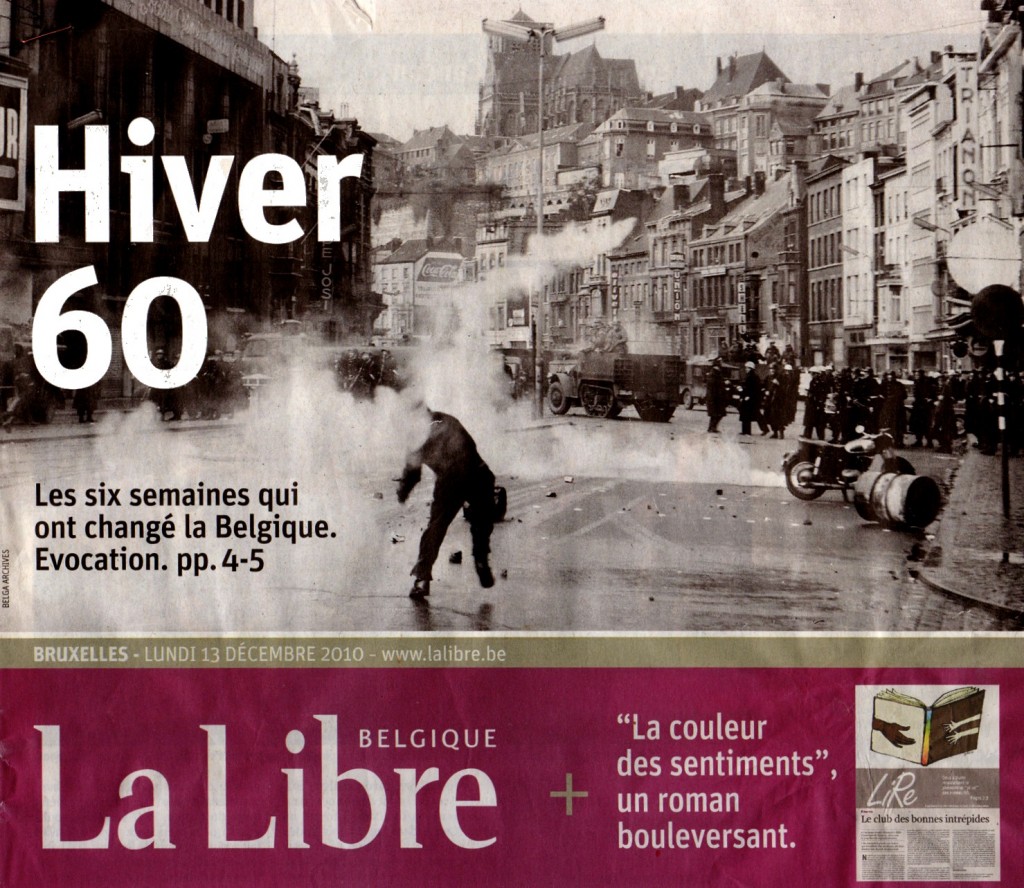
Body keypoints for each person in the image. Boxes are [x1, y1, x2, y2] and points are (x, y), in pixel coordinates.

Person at [396, 407, 497, 600]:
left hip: (450, 480)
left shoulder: (416, 436)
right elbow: (469, 444)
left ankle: (421, 579)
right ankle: (481, 559)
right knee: (482, 522)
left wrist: (402, 493)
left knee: (436, 527)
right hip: (479, 472)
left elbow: (412, 473)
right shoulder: (447, 419)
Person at [738, 361, 763, 436]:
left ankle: (747, 431)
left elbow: (754, 388)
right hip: (747, 397)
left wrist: (748, 396)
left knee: (747, 415)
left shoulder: (753, 377)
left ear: (751, 368)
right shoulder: (749, 376)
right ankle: (745, 430)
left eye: (747, 368)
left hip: (749, 398)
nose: (746, 369)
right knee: (745, 414)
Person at [705, 357, 728, 433]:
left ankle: (712, 428)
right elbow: (714, 386)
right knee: (716, 414)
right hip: (714, 398)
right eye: (720, 362)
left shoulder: (717, 373)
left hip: (717, 397)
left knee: (717, 414)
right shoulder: (713, 374)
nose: (721, 363)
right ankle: (711, 428)